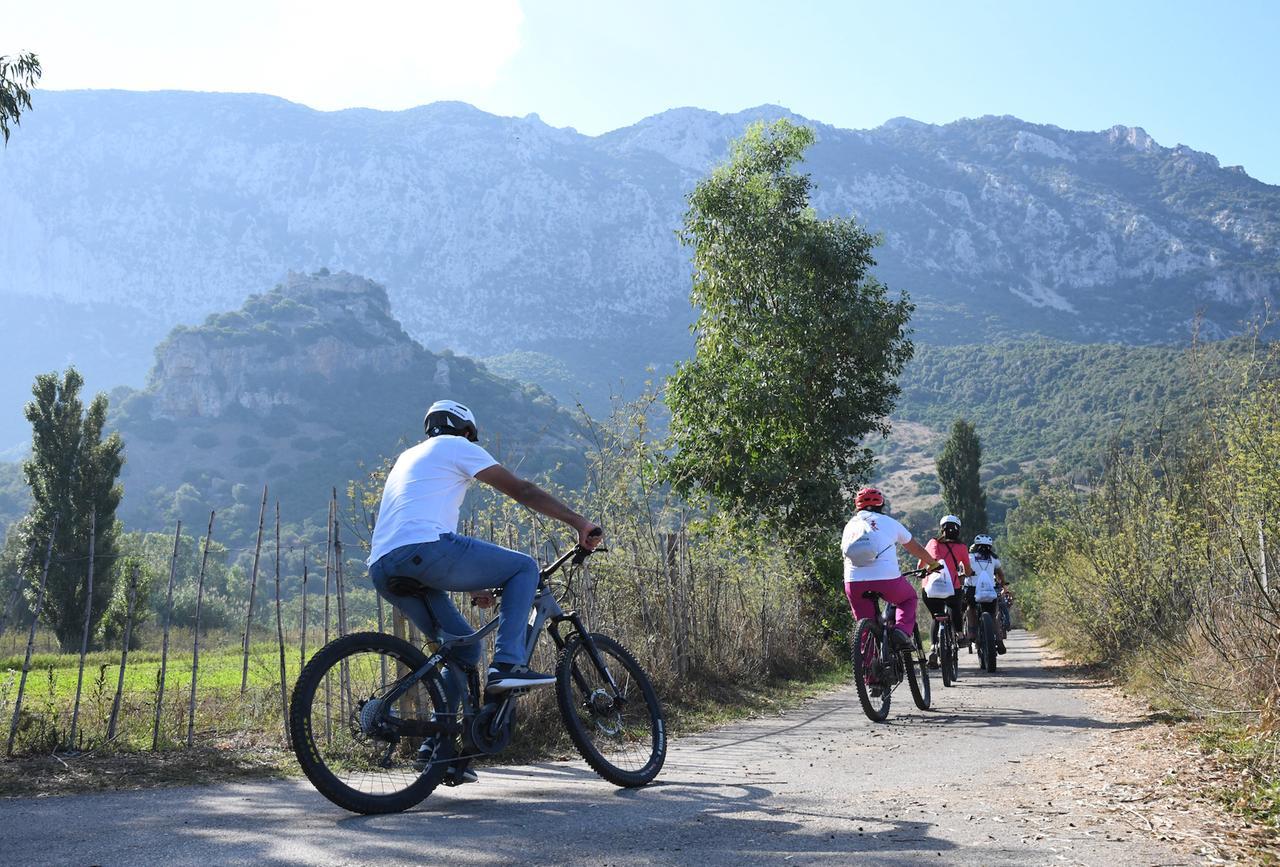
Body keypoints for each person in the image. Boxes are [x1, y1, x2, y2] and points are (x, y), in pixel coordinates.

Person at [367, 399, 602, 693]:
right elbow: (522, 490)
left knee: (463, 651)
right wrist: (579, 523)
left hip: (383, 566)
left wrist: (473, 584)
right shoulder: (455, 446)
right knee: (524, 568)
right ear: (464, 430)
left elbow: (420, 536)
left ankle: (438, 737)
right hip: (425, 549)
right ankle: (507, 663)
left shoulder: (407, 458)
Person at [841, 487, 942, 668]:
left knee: (865, 629)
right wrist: (932, 563)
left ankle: (871, 677)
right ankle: (901, 631)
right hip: (887, 580)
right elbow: (915, 548)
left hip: (854, 582)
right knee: (908, 598)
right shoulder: (889, 522)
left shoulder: (850, 525)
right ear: (881, 505)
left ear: (857, 506)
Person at [919, 514, 971, 669]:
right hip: (952, 587)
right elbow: (967, 571)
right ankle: (960, 635)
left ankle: (934, 647)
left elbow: (921, 564)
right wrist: (966, 574)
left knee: (937, 616)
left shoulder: (932, 543)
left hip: (930, 588)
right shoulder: (962, 547)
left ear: (941, 529)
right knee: (955, 607)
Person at [967, 534, 1007, 654]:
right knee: (993, 615)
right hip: (990, 591)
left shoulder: (969, 557)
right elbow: (1000, 575)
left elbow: (964, 572)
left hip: (973, 590)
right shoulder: (993, 558)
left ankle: (972, 633)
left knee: (971, 608)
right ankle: (999, 640)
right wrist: (1004, 585)